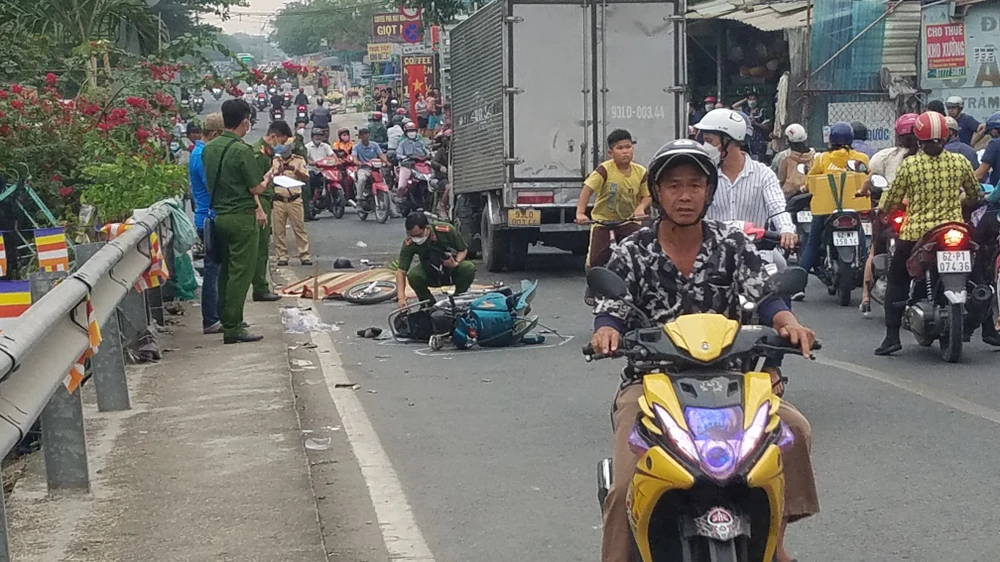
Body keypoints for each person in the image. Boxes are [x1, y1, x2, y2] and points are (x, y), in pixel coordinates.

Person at [593, 139, 818, 562]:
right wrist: (606, 333)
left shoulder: (732, 246)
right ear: (656, 192)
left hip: (733, 381)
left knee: (795, 430)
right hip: (651, 385)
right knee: (625, 486)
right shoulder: (631, 252)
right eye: (674, 185)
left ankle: (774, 538)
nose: (684, 195)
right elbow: (611, 310)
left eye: (694, 185)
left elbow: (767, 298)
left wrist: (789, 324)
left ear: (708, 191)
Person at [874, 111, 988, 355]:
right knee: (979, 278)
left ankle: (891, 337)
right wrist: (961, 202)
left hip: (917, 233)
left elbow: (892, 199)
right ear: (946, 138)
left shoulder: (910, 165)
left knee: (897, 280)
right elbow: (975, 195)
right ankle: (985, 326)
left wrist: (882, 209)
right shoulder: (959, 162)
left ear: (919, 140)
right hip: (955, 229)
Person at [202, 99, 275, 344]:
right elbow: (255, 187)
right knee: (240, 274)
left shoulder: (209, 148)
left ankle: (226, 319)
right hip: (242, 218)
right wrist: (268, 177)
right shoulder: (241, 150)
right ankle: (234, 326)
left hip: (219, 216)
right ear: (245, 121)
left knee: (225, 273)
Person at [695, 109, 797, 248]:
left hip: (757, 252)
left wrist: (786, 230)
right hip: (714, 254)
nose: (705, 147)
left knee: (783, 268)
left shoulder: (763, 174)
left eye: (709, 141)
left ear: (728, 141)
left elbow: (777, 207)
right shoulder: (704, 176)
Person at [574, 129, 651, 304]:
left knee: (637, 252)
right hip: (603, 220)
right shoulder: (604, 170)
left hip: (628, 220)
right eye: (620, 148)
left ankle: (638, 287)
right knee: (596, 258)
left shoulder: (640, 172)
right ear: (611, 152)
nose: (625, 151)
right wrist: (580, 212)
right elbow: (587, 190)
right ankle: (593, 286)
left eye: (628, 147)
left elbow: (648, 195)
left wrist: (641, 208)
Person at [858, 113, 920, 316]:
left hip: (890, 212)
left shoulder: (885, 157)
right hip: (917, 214)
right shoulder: (928, 158)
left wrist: (861, 192)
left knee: (875, 251)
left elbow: (870, 180)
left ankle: (866, 298)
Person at [798, 121, 871, 278]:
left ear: (831, 140)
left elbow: (810, 180)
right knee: (862, 239)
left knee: (813, 243)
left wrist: (805, 188)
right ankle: (867, 275)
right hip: (854, 208)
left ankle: (799, 284)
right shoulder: (861, 158)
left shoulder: (823, 158)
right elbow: (868, 177)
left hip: (826, 210)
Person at [249, 120, 293, 303]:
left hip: (267, 199)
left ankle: (261, 285)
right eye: (281, 141)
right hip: (261, 202)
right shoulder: (259, 155)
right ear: (274, 136)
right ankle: (260, 287)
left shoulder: (266, 152)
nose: (281, 146)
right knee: (260, 249)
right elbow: (253, 185)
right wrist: (259, 208)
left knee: (263, 248)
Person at [396, 213, 476, 306]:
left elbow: (463, 250)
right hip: (430, 272)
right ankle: (427, 304)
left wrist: (455, 263)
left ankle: (459, 300)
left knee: (468, 267)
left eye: (419, 235)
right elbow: (401, 272)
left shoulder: (446, 230)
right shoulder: (410, 243)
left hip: (450, 269)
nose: (416, 239)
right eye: (412, 236)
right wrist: (401, 298)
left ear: (427, 228)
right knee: (414, 275)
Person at [190, 113, 224, 334]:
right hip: (208, 217)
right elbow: (212, 185)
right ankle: (211, 319)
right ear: (215, 134)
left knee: (216, 270)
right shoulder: (203, 155)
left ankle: (216, 316)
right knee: (213, 270)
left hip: (205, 216)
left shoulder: (198, 152)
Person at [270, 141, 312, 267]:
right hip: (279, 199)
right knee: (279, 230)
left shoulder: (299, 160)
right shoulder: (275, 161)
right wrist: (279, 171)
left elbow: (305, 176)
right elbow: (269, 177)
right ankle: (282, 255)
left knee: (299, 228)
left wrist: (295, 170)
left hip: (294, 199)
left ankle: (304, 255)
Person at [776, 123, 815, 197]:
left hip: (789, 197)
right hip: (810, 194)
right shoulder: (815, 157)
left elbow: (779, 179)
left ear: (788, 140)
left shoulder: (784, 157)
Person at [395, 121, 431, 202]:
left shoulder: (420, 142)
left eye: (413, 130)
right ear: (406, 132)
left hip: (421, 165)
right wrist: (406, 157)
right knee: (402, 186)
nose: (412, 133)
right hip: (407, 165)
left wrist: (429, 155)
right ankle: (399, 198)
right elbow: (399, 155)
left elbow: (427, 151)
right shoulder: (402, 143)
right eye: (410, 131)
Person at [732, 89, 771, 161]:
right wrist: (745, 99)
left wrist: (755, 124)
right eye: (750, 99)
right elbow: (734, 106)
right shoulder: (745, 110)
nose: (751, 101)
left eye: (754, 99)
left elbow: (767, 127)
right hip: (747, 139)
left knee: (758, 159)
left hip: (758, 139)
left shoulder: (761, 111)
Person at [351, 126, 390, 196]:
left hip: (375, 168)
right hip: (363, 168)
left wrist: (386, 161)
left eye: (366, 133)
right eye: (362, 134)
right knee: (362, 180)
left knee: (383, 180)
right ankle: (359, 198)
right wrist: (358, 162)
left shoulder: (374, 145)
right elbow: (354, 158)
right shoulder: (356, 147)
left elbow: (381, 155)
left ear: (369, 135)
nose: (365, 136)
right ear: (359, 136)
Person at [974, 111, 1000, 186]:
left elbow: (980, 174)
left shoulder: (995, 144)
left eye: (990, 130)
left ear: (995, 130)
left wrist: (963, 182)